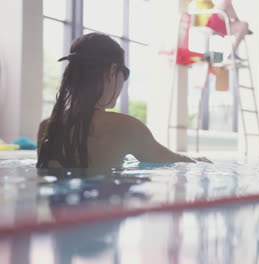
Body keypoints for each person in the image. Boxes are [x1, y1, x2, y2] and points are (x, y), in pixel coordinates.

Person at [36, 33, 210, 168]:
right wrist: (197, 161)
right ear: (113, 70)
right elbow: (173, 161)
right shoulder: (127, 127)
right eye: (124, 74)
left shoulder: (47, 127)